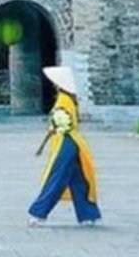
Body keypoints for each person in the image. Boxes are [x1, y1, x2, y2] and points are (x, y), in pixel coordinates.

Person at [27, 64, 101, 226]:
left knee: (57, 177)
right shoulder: (68, 99)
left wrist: (54, 127)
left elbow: (63, 123)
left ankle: (38, 213)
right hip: (74, 141)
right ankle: (88, 214)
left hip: (65, 141)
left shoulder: (63, 100)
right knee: (78, 178)